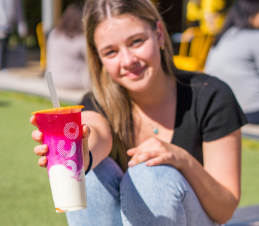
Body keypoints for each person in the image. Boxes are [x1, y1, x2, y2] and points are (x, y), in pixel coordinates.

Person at [31, 0, 247, 225]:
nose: (128, 60)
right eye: (111, 52)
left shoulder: (211, 95)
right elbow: (94, 132)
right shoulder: (97, 103)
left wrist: (181, 159)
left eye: (136, 41)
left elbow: (225, 210)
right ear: (99, 59)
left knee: (152, 174)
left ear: (159, 34)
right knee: (91, 174)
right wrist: (82, 153)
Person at [205, 0, 259, 124]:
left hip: (223, 107)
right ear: (249, 14)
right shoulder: (254, 37)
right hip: (252, 111)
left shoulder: (224, 36)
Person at [46, 2, 91, 91]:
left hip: (52, 80)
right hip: (74, 82)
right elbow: (91, 58)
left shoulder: (54, 34)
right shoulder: (81, 39)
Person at [0, 0, 27, 70]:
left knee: (5, 46)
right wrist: (4, 22)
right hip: (2, 24)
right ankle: (2, 66)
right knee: (2, 45)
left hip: (9, 25)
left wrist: (21, 25)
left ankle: (3, 66)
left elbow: (18, 10)